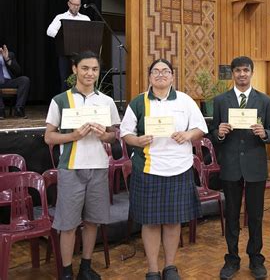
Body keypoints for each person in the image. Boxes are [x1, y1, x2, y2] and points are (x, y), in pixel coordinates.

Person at [120, 58, 207, 280]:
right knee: (150, 222)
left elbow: (200, 128)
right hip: (148, 168)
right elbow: (125, 133)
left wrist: (188, 135)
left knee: (173, 220)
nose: (160, 74)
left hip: (179, 168)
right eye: (155, 71)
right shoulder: (138, 103)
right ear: (149, 76)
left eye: (165, 71)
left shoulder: (185, 101)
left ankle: (170, 267)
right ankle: (152, 270)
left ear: (172, 76)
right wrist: (137, 141)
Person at [44, 51, 120, 280]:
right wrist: (74, 135)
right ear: (74, 69)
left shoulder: (106, 102)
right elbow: (49, 137)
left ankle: (86, 267)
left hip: (98, 168)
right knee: (67, 224)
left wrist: (104, 136)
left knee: (92, 221)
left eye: (94, 69)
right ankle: (66, 271)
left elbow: (113, 135)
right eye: (85, 68)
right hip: (71, 168)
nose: (90, 73)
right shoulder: (60, 100)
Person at [211, 56, 270, 280]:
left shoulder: (264, 100)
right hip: (230, 166)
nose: (242, 74)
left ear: (251, 73)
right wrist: (219, 132)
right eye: (238, 70)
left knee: (256, 216)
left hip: (255, 166)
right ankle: (231, 259)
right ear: (232, 73)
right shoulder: (220, 100)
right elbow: (213, 134)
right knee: (231, 215)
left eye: (246, 70)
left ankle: (256, 259)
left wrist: (265, 134)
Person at [47, 0, 91, 92]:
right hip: (65, 54)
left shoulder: (85, 18)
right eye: (74, 4)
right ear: (68, 4)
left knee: (82, 79)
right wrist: (63, 37)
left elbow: (89, 35)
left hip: (81, 55)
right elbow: (49, 31)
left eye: (78, 5)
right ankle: (66, 104)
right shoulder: (60, 17)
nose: (76, 7)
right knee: (65, 81)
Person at [0, 44, 30, 119]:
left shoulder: (10, 55)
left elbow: (18, 72)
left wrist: (7, 59)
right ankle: (1, 110)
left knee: (24, 80)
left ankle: (19, 109)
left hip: (8, 81)